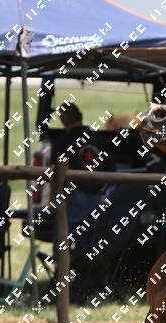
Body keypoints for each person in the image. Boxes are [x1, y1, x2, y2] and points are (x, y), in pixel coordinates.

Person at [51, 102, 116, 265]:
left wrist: (54, 201)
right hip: (96, 199)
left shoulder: (63, 142)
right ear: (79, 116)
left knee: (62, 246)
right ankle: (85, 276)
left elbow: (55, 175)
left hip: (72, 199)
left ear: (63, 121)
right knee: (88, 246)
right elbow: (111, 170)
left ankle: (62, 275)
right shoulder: (99, 140)